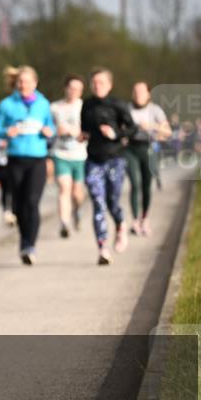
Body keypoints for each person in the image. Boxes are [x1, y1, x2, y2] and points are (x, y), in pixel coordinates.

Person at [0, 65, 56, 265]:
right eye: (20, 81)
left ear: (35, 83)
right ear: (16, 83)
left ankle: (30, 245)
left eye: (27, 81)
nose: (23, 85)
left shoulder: (43, 104)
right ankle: (23, 240)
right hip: (16, 158)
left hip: (37, 159)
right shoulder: (7, 104)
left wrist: (48, 131)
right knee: (18, 205)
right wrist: (6, 132)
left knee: (32, 202)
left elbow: (51, 126)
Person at [81, 67, 137, 265]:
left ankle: (121, 225)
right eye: (94, 83)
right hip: (93, 160)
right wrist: (83, 135)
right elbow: (85, 129)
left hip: (115, 159)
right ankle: (103, 247)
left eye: (101, 82)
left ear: (109, 85)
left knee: (112, 202)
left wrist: (116, 135)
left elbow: (132, 128)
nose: (97, 86)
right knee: (98, 202)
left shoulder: (118, 105)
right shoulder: (86, 105)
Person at [126, 81, 171, 237]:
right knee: (135, 183)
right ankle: (134, 220)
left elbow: (167, 132)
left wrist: (151, 126)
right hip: (130, 149)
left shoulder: (155, 110)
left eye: (141, 92)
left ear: (148, 94)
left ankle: (145, 218)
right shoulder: (127, 109)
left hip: (148, 148)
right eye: (135, 92)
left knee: (146, 186)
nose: (138, 95)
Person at [50, 75, 88, 238]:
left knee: (77, 193)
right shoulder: (54, 108)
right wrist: (55, 131)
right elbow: (47, 129)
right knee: (64, 188)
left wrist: (80, 134)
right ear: (65, 88)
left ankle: (78, 210)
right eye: (71, 88)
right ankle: (64, 223)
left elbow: (90, 130)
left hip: (80, 155)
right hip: (61, 153)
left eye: (77, 89)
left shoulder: (85, 107)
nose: (74, 92)